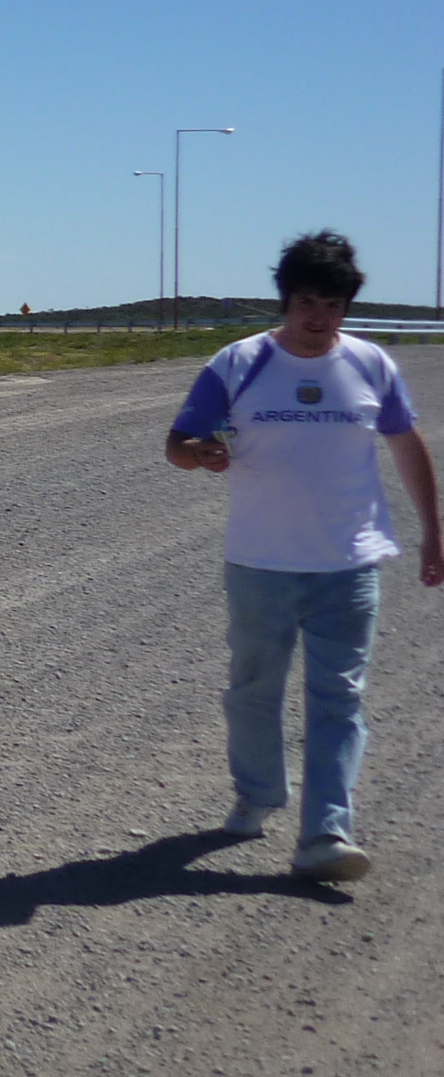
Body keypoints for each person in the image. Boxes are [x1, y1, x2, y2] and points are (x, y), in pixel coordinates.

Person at [165, 230, 441, 882]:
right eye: (307, 302)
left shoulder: (373, 365)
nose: (319, 318)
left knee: (339, 697)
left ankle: (326, 833)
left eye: (333, 305)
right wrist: (200, 453)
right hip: (260, 563)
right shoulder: (237, 363)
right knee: (254, 691)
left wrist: (434, 527)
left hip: (348, 565)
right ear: (285, 301)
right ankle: (258, 793)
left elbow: (405, 443)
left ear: (347, 307)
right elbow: (178, 443)